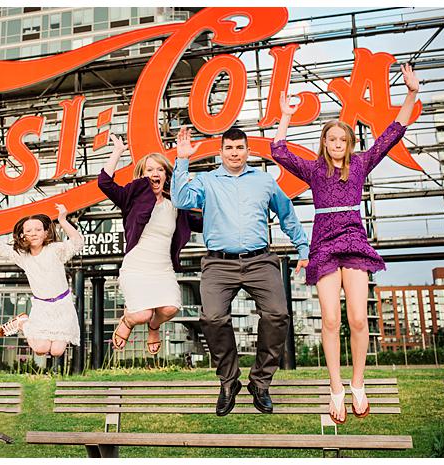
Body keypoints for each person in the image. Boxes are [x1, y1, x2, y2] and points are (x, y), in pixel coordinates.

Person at [270, 64, 420, 424]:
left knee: (356, 318)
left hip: (353, 243)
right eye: (332, 140)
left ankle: (357, 384)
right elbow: (278, 150)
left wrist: (411, 93)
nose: (337, 145)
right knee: (331, 319)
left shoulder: (362, 163)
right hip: (323, 245)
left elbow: (393, 133)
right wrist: (286, 117)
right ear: (325, 142)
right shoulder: (313, 170)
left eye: (343, 141)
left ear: (349, 145)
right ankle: (335, 388)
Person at [172, 126, 309, 416]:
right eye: (229, 148)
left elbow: (287, 215)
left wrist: (303, 248)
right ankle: (229, 381)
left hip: (260, 261)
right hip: (219, 263)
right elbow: (181, 200)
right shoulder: (206, 181)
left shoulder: (264, 182)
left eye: (240, 148)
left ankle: (260, 382)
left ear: (248, 151)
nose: (234, 153)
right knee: (212, 317)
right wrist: (182, 160)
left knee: (278, 314)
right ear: (221, 152)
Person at [98, 134, 203, 355]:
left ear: (166, 175)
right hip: (136, 268)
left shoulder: (176, 205)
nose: (155, 173)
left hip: (162, 269)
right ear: (142, 175)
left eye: (160, 169)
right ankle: (127, 321)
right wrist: (117, 152)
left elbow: (203, 223)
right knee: (142, 314)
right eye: (149, 170)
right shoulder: (131, 198)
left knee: (170, 308)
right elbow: (105, 183)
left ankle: (154, 327)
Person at [0, 204, 83, 357]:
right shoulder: (22, 256)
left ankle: (26, 325)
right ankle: (22, 322)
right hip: (42, 307)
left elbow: (77, 243)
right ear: (22, 235)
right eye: (28, 231)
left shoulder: (55, 250)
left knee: (57, 352)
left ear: (46, 233)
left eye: (38, 230)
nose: (33, 233)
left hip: (63, 305)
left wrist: (63, 220)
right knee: (41, 349)